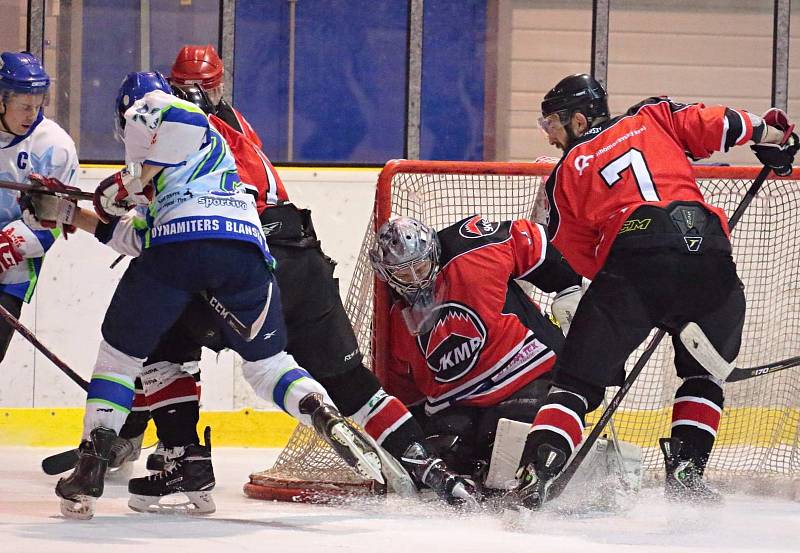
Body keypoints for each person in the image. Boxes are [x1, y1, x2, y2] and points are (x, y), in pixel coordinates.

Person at [108, 82, 477, 508]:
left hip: (248, 265)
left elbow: (159, 230)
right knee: (351, 382)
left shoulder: (179, 148)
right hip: (304, 259)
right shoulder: (236, 134)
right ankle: (433, 469)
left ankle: (183, 456)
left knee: (162, 339)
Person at [42, 72, 387, 519]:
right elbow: (136, 231)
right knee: (267, 366)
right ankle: (315, 406)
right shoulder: (220, 146)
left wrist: (118, 186)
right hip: (245, 254)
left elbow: (145, 200)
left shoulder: (160, 114)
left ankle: (94, 459)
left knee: (120, 360)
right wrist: (73, 212)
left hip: (179, 251)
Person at [515, 73, 799, 508]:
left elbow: (572, 256)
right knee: (703, 374)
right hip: (708, 251)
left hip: (634, 258)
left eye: (552, 124)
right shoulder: (653, 116)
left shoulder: (562, 175)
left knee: (574, 383)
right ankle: (687, 475)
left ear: (576, 119)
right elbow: (720, 122)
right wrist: (772, 134)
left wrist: (623, 284)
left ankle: (536, 476)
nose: (551, 136)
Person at [369, 214, 584, 484]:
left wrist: (568, 286)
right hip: (457, 404)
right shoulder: (389, 314)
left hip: (524, 373)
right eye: (402, 273)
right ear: (386, 274)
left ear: (433, 251)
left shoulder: (473, 247)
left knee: (521, 440)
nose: (414, 279)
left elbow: (536, 244)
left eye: (420, 267)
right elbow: (402, 388)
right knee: (440, 462)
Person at [0, 51, 78, 361]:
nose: (31, 115)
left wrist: (9, 244)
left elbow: (56, 220)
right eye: (23, 106)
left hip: (12, 273)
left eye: (37, 105)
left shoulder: (54, 147)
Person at [169, 45, 259, 146]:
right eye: (185, 93)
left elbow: (248, 158)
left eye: (204, 94)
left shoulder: (233, 126)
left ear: (218, 90)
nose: (194, 101)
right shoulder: (162, 111)